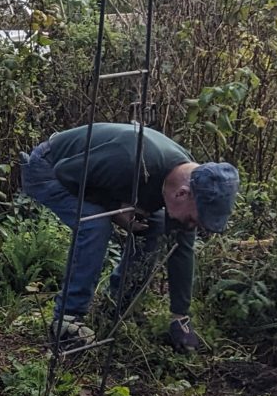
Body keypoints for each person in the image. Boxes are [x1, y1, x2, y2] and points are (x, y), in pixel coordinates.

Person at [20, 121, 240, 351]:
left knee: (152, 225)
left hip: (94, 177)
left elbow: (181, 248)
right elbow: (66, 171)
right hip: (48, 167)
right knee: (95, 223)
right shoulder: (132, 160)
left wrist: (180, 316)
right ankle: (67, 320)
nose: (194, 225)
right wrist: (115, 208)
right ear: (182, 194)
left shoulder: (188, 178)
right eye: (195, 219)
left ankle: (115, 306)